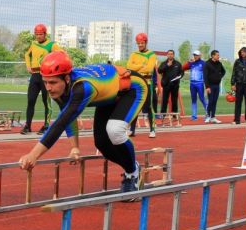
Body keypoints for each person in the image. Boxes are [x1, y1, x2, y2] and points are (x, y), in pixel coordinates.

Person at [19, 51, 147, 194]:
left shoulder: (82, 88)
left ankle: (133, 173)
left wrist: (34, 155)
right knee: (101, 143)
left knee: (115, 130)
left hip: (132, 88)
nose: (48, 88)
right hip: (109, 95)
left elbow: (61, 123)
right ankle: (132, 167)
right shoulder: (58, 90)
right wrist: (75, 148)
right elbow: (68, 118)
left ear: (67, 78)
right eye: (45, 82)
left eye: (53, 82)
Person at [21, 24, 64, 135]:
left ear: (45, 34)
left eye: (40, 34)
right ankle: (27, 126)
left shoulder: (51, 45)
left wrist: (54, 67)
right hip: (35, 76)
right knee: (31, 100)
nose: (38, 36)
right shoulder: (33, 44)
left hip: (46, 77)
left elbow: (62, 54)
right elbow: (27, 54)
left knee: (46, 102)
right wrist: (28, 66)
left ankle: (46, 126)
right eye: (36, 34)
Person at [126, 33, 157, 137]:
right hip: (136, 84)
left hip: (147, 84)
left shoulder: (151, 54)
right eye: (138, 43)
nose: (140, 45)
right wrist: (142, 65)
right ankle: (132, 130)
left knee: (149, 107)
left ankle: (152, 130)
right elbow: (129, 66)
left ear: (146, 43)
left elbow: (149, 69)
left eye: (142, 43)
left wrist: (136, 67)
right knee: (135, 107)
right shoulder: (134, 54)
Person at [182, 50, 207, 121]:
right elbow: (182, 68)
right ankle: (194, 116)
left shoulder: (203, 63)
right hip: (192, 84)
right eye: (194, 55)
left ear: (199, 56)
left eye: (196, 55)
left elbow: (207, 72)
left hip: (200, 83)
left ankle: (208, 113)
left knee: (202, 98)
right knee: (193, 100)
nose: (195, 56)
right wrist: (188, 62)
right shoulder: (191, 63)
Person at [158, 49, 184, 116]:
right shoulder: (164, 63)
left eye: (171, 54)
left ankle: (174, 114)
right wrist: (167, 65)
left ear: (173, 55)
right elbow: (159, 71)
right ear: (167, 55)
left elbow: (182, 72)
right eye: (169, 54)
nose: (170, 55)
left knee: (174, 100)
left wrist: (179, 77)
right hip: (166, 85)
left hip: (175, 85)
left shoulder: (178, 64)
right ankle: (163, 114)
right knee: (164, 100)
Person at [203, 49, 225, 124]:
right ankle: (207, 116)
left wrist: (219, 77)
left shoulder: (219, 63)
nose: (218, 56)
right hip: (210, 86)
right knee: (210, 101)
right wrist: (207, 87)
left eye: (218, 55)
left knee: (215, 101)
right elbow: (205, 76)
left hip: (217, 85)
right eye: (217, 55)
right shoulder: (207, 64)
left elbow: (223, 71)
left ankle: (213, 117)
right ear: (213, 56)